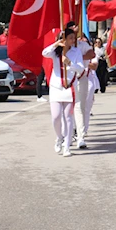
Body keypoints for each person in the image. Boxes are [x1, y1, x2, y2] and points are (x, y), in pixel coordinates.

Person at [42, 28, 85, 157]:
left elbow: (81, 69)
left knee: (68, 117)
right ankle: (59, 137)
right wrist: (57, 44)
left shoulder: (76, 52)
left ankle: (67, 146)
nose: (73, 40)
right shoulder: (55, 52)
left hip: (69, 87)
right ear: (64, 39)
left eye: (73, 38)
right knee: (56, 117)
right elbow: (44, 53)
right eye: (70, 38)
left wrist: (70, 63)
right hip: (56, 87)